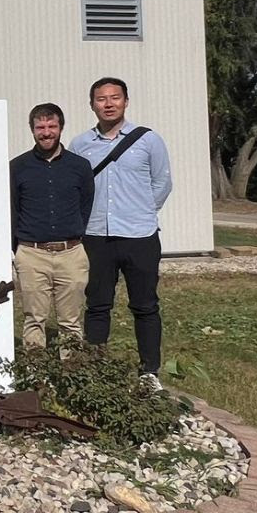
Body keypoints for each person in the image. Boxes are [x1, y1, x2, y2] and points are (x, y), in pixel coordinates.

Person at [70, 78, 173, 390]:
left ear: (126, 101)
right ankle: (96, 370)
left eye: (115, 97)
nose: (109, 103)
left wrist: (141, 212)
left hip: (139, 236)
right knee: (98, 304)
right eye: (101, 99)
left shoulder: (148, 141)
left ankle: (149, 371)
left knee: (145, 305)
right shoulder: (80, 144)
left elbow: (162, 183)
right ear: (92, 105)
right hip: (96, 236)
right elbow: (76, 188)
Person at [10, 103, 95, 349]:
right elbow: (13, 209)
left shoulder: (79, 167)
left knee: (71, 321)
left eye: (51, 126)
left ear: (61, 128)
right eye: (40, 127)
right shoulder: (17, 167)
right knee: (34, 319)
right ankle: (37, 378)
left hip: (71, 253)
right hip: (32, 253)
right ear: (32, 130)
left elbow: (85, 207)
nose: (46, 132)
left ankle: (70, 377)